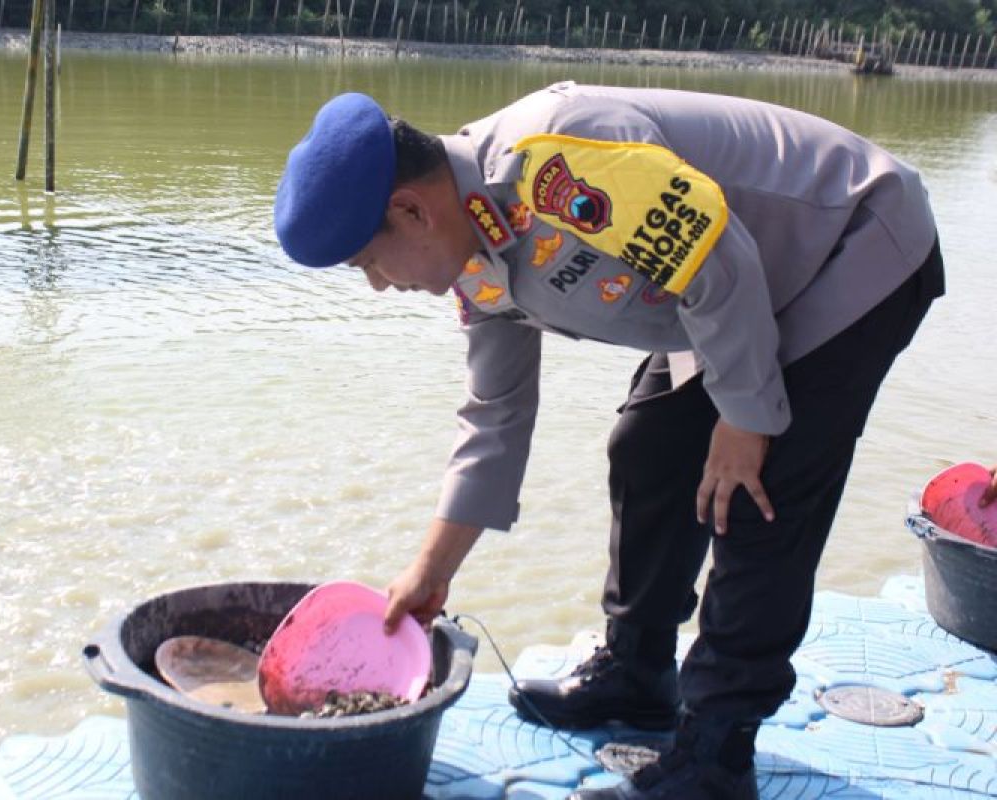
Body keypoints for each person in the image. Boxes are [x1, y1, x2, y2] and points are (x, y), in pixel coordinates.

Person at [273, 84, 944, 800]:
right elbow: (496, 417)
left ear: (411, 211)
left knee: (756, 492)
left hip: (850, 246)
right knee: (648, 448)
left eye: (369, 265)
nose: (378, 286)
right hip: (729, 294)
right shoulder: (477, 242)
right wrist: (432, 571)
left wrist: (745, 421)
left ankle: (715, 757)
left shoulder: (563, 161)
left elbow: (719, 260)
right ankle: (638, 673)